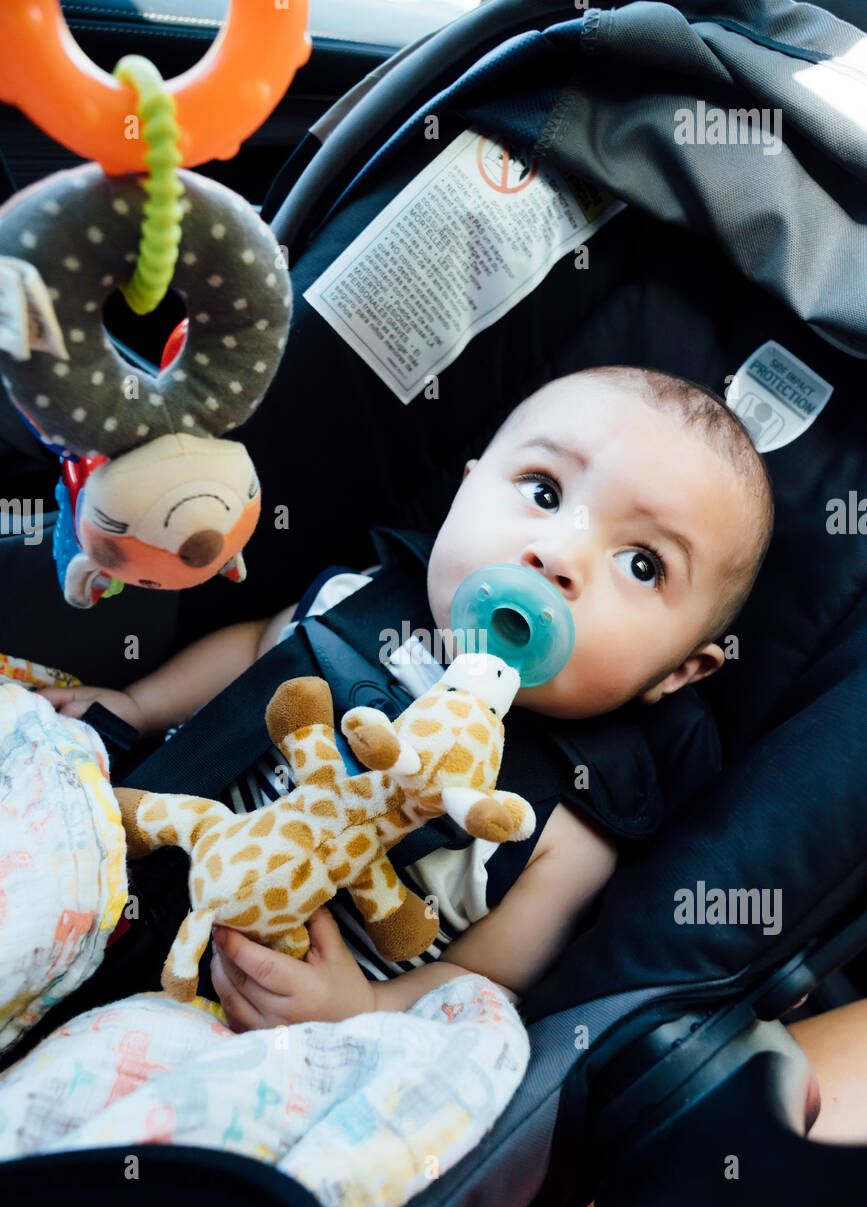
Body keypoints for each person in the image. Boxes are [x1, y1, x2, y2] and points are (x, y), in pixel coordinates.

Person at [39, 364, 774, 1032]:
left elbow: (486, 982)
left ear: (679, 672)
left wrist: (361, 1009)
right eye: (544, 493)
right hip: (115, 853)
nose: (557, 555)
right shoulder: (361, 601)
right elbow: (253, 651)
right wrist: (136, 706)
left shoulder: (566, 831)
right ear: (464, 489)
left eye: (641, 563)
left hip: (244, 1022)